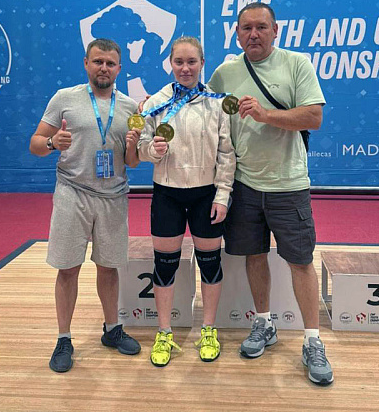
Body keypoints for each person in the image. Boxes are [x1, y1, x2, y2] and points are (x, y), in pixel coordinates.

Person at [208, 3, 334, 385]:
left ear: (276, 30)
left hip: (289, 185)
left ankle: (312, 341)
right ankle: (264, 323)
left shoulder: (296, 64)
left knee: (301, 262)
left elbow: (314, 117)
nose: (254, 34)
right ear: (236, 33)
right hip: (244, 184)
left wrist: (266, 115)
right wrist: (154, 110)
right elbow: (200, 110)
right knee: (254, 256)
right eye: (246, 28)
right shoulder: (224, 73)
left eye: (262, 27)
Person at [29, 38, 142, 373]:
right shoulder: (64, 99)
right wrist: (52, 142)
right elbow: (35, 144)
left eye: (110, 63)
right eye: (97, 62)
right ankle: (63, 338)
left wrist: (133, 145)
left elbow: (132, 162)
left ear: (119, 68)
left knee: (109, 267)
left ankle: (112, 329)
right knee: (68, 268)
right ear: (86, 63)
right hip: (72, 193)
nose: (103, 68)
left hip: (113, 197)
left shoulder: (130, 107)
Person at [137, 36, 236, 367]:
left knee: (210, 263)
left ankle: (208, 329)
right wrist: (152, 151)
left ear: (202, 63)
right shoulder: (156, 102)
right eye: (179, 61)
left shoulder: (217, 104)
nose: (185, 68)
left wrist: (222, 195)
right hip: (167, 194)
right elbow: (140, 148)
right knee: (164, 266)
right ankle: (164, 332)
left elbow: (226, 154)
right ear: (170, 63)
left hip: (206, 195)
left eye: (191, 61)